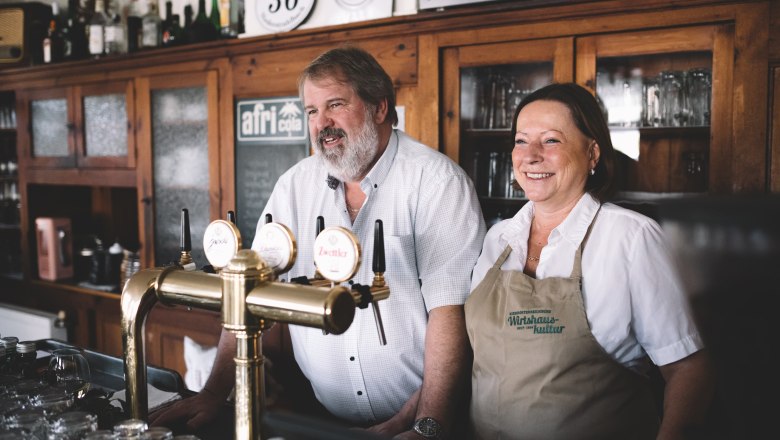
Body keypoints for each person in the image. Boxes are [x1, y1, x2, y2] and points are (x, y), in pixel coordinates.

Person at [150, 46, 486, 439]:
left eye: (336, 104)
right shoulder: (294, 186)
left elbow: (451, 315)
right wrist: (213, 394)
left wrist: (429, 425)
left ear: (380, 107)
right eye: (311, 111)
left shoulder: (437, 183)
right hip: (322, 418)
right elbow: (249, 290)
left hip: (420, 418)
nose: (321, 123)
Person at [465, 83, 714, 439]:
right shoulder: (497, 238)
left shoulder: (631, 237)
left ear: (592, 153)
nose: (531, 155)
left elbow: (689, 370)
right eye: (521, 141)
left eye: (551, 140)